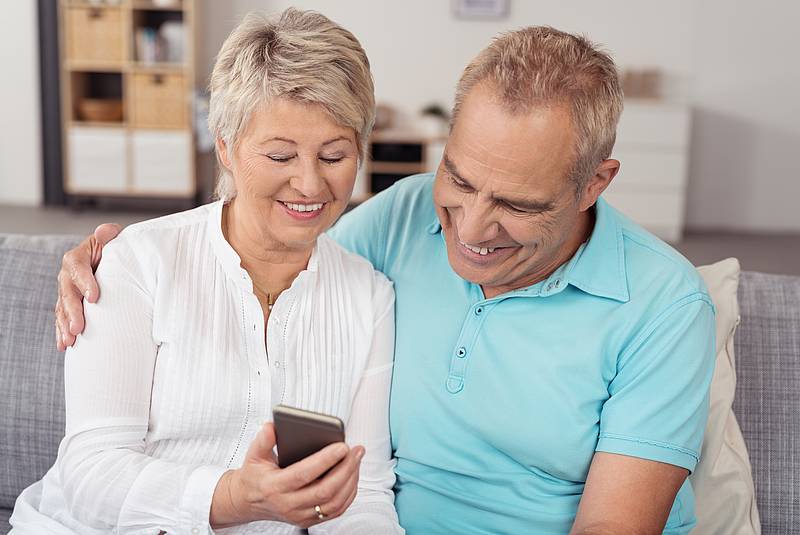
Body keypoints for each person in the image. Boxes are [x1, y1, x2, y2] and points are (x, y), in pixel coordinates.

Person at [53, 24, 716, 535]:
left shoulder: (664, 304)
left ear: (593, 184)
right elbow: (288, 253)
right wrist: (113, 256)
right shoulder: (403, 218)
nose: (472, 228)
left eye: (517, 205)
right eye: (458, 177)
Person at [11, 9, 404, 535]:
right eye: (281, 155)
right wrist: (235, 497)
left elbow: (364, 494)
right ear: (225, 145)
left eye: (334, 156)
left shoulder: (368, 297)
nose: (310, 185)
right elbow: (91, 475)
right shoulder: (138, 263)